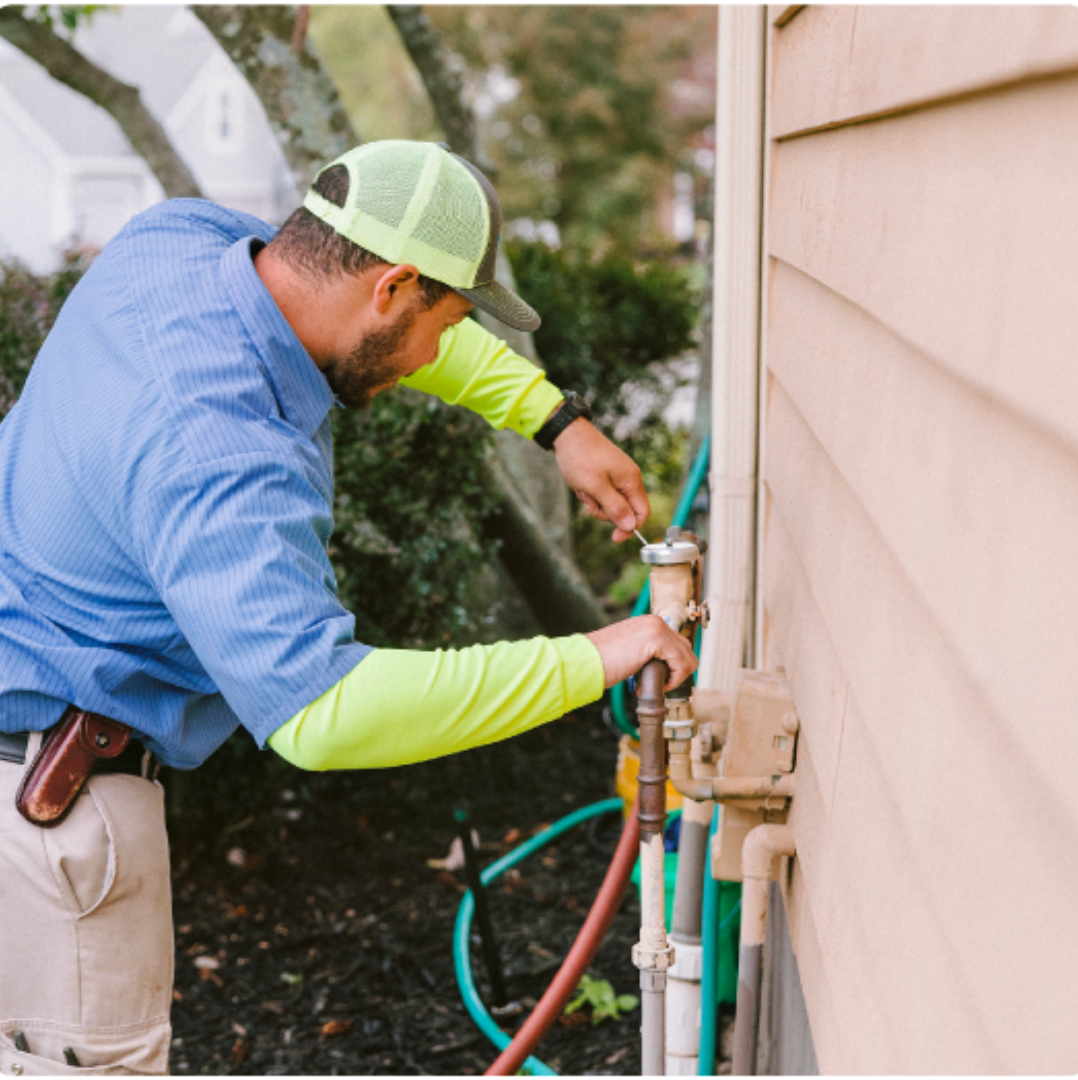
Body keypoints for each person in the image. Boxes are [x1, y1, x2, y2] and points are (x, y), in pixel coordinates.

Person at [0, 140, 696, 1075]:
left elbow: (340, 316)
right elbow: (324, 713)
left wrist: (553, 422)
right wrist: (595, 657)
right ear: (393, 285)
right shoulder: (223, 448)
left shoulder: (179, 241)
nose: (436, 355)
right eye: (443, 324)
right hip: (51, 818)